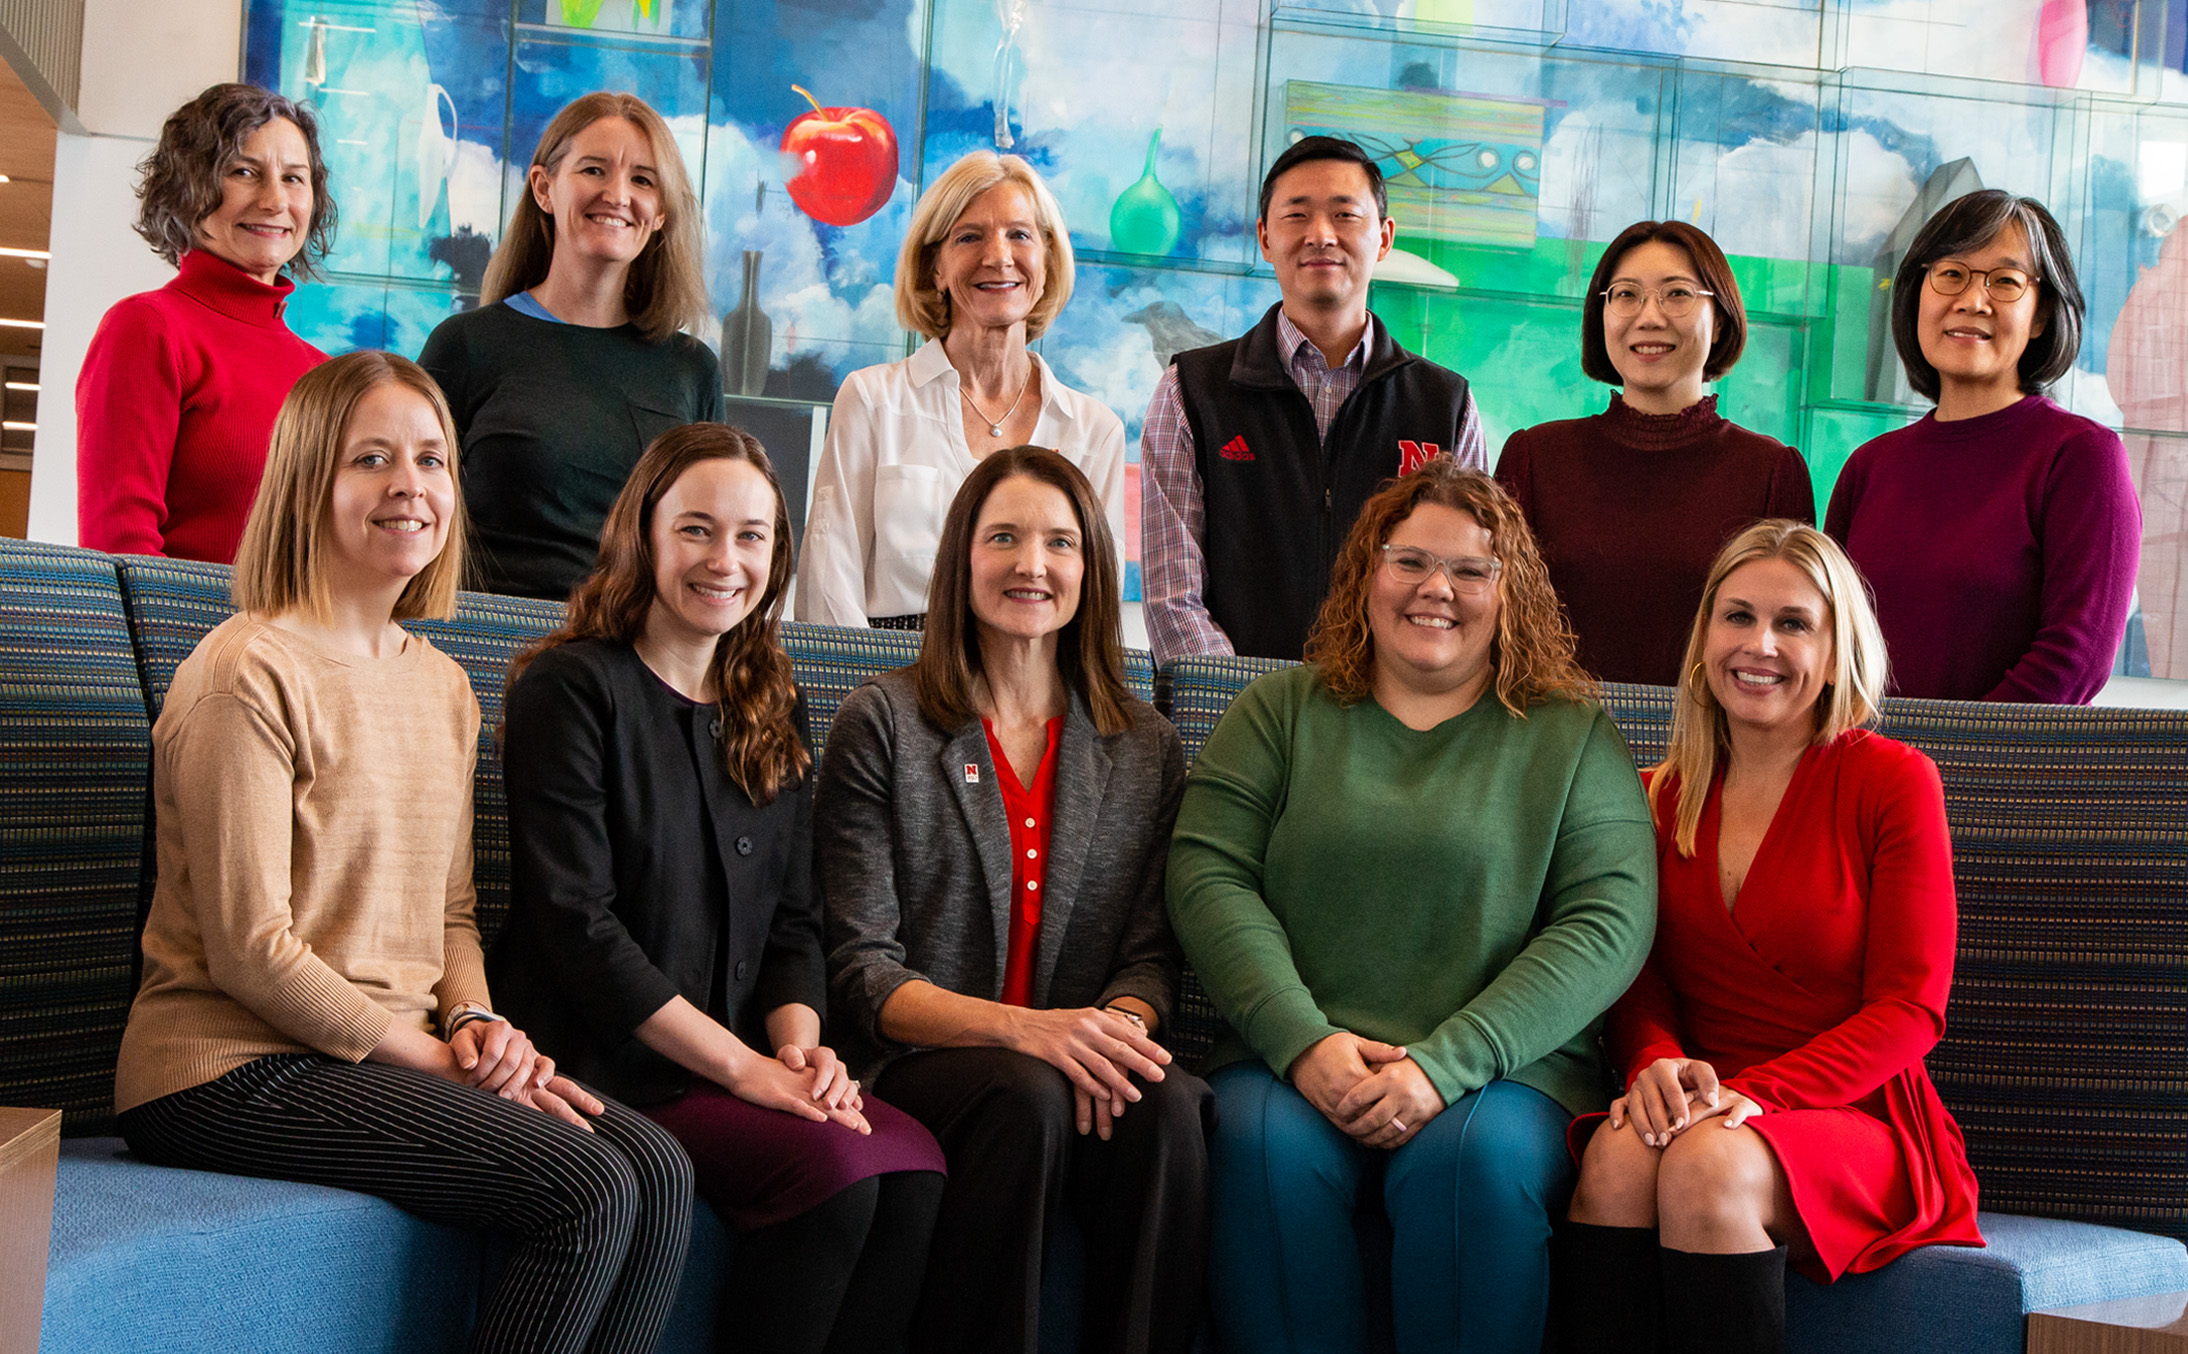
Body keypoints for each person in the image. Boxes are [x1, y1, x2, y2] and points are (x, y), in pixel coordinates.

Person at [112, 350, 692, 1353]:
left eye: (430, 458)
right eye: (369, 459)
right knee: (588, 1185)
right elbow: (252, 949)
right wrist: (434, 1060)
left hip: (383, 1054)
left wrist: (471, 1020)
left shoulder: (445, 687)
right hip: (224, 1068)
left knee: (658, 1166)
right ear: (307, 482)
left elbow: (451, 915)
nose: (408, 486)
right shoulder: (247, 670)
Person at [1167, 460, 1657, 1354]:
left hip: (1502, 1080)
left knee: (1472, 1166)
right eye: (1411, 562)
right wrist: (1304, 1044)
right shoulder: (1279, 709)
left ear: (1511, 593)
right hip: (1290, 1064)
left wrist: (1444, 1065)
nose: (1439, 589)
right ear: (1366, 574)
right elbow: (1209, 876)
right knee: (1258, 1155)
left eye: (1473, 570)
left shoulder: (1570, 731)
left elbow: (1607, 923)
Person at [489, 422, 945, 1354]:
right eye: (697, 529)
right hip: (601, 1064)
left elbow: (793, 923)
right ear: (644, 534)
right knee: (838, 1169)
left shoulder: (769, 699)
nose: (724, 560)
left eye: (751, 536)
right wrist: (748, 1075)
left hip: (733, 1061)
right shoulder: (569, 689)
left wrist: (802, 1055)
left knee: (916, 1167)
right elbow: (579, 929)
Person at [816, 447, 1210, 1354]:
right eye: (1004, 538)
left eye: (1059, 543)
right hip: (925, 1060)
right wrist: (1031, 1032)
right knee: (1025, 1094)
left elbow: (1151, 956)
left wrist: (1108, 1033)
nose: (1032, 564)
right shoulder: (883, 722)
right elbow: (864, 972)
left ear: (1091, 570)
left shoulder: (1142, 741)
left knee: (1171, 1106)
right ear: (962, 559)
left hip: (1074, 1054)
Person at [1555, 520, 1982, 1354]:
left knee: (1707, 1165)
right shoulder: (1651, 794)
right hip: (1701, 1098)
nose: (1761, 645)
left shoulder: (1893, 781)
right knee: (1614, 1158)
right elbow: (1636, 979)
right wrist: (1654, 1068)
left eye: (1794, 623)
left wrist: (1762, 1098)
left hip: (1858, 1113)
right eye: (1738, 616)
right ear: (1705, 636)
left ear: (1834, 648)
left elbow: (1912, 1008)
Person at [1140, 134, 1489, 666]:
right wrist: (1250, 712)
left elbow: (1462, 591)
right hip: (1235, 721)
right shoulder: (1192, 392)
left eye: (1346, 215)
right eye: (1296, 215)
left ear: (1384, 237)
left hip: (1395, 725)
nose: (1320, 235)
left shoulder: (1447, 405)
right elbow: (1173, 599)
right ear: (1264, 237)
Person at [1825, 188, 2139, 703]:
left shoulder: (2082, 457)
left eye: (2006, 282)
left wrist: (1947, 760)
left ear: (2040, 317)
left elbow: (2076, 656)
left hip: (1995, 772)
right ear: (1917, 293)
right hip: (1861, 769)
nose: (1972, 301)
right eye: (1950, 274)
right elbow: (1825, 636)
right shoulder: (1870, 466)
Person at [796, 151, 1126, 631]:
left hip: (1033, 686)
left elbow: (1098, 611)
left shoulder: (1094, 431)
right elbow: (828, 587)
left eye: (1019, 234)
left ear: (1047, 260)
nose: (998, 256)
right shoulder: (872, 400)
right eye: (969, 237)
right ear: (936, 268)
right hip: (892, 681)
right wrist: (880, 705)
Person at [419, 91, 720, 600]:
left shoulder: (692, 370)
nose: (618, 194)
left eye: (642, 179)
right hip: (485, 644)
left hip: (628, 656)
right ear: (543, 187)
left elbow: (707, 536)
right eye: (594, 170)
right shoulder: (465, 346)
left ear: (662, 212)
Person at [1498, 219, 1812, 686]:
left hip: (1712, 748)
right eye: (1626, 295)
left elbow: (1791, 646)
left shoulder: (1771, 472)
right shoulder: (1535, 457)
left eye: (1677, 294)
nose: (1649, 316)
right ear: (1601, 314)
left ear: (1719, 318)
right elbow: (1496, 628)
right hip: (1554, 742)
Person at [77, 82, 332, 562]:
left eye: (294, 178)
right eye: (244, 172)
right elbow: (119, 545)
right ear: (188, 188)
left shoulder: (322, 372)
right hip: (186, 634)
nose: (275, 200)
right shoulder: (148, 327)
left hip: (300, 636)